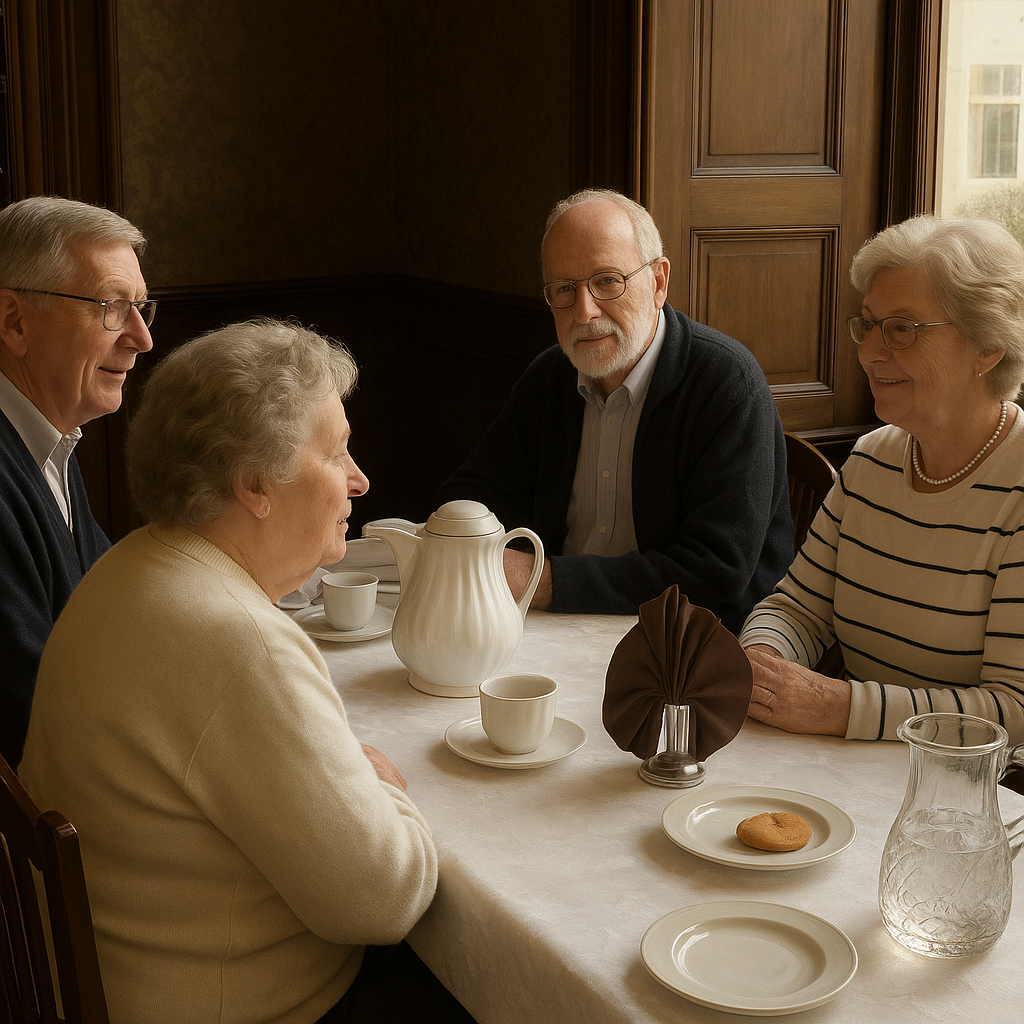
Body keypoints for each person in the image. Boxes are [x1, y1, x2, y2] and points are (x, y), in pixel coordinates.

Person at [19, 320, 470, 1024]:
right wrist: (380, 788)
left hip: (113, 982)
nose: (360, 479)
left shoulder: (129, 568)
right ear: (256, 483)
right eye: (337, 451)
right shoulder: (237, 642)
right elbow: (384, 898)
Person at [438, 189, 793, 632]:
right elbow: (476, 492)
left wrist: (544, 579)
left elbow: (714, 572)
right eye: (564, 289)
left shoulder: (727, 384)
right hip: (555, 631)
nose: (584, 312)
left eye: (607, 281)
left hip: (691, 650)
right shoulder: (549, 377)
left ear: (658, 282)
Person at [740, 215, 1024, 743]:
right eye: (868, 324)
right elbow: (797, 609)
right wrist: (763, 660)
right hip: (854, 769)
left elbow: (1015, 710)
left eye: (902, 329)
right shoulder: (872, 459)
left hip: (975, 801)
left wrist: (840, 708)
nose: (868, 352)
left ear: (988, 347)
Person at [0, 195, 155, 769]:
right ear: (14, 322)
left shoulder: (48, 437)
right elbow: (34, 711)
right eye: (112, 308)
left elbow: (105, 596)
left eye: (141, 308)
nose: (141, 338)